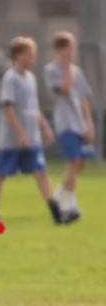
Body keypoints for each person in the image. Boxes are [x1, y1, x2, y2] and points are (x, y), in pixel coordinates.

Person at [0, 37, 64, 224]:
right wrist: (20, 133)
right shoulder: (10, 78)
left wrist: (44, 127)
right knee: (1, 173)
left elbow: (33, 107)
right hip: (12, 139)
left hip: (31, 138)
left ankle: (56, 213)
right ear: (18, 56)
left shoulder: (30, 78)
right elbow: (8, 108)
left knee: (41, 172)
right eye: (29, 54)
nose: (33, 58)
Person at [44, 31, 96, 222]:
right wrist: (65, 67)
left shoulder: (77, 71)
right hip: (66, 123)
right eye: (69, 48)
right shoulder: (52, 70)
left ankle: (66, 201)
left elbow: (83, 99)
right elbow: (65, 89)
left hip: (79, 123)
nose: (72, 52)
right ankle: (61, 200)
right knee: (73, 162)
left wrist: (89, 124)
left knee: (79, 163)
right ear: (59, 49)